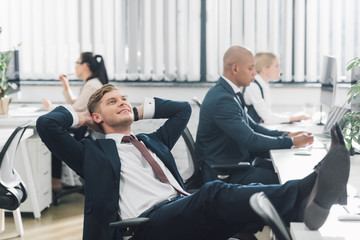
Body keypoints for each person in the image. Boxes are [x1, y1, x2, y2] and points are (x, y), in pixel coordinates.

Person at [36, 84, 349, 240]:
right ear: (96, 117)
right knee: (214, 193)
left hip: (180, 208)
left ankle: (309, 200)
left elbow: (182, 109)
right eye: (112, 102)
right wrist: (81, 114)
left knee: (251, 205)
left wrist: (134, 110)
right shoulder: (91, 155)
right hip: (147, 225)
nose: (122, 103)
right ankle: (310, 189)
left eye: (124, 99)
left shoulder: (152, 141)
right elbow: (46, 126)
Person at [196, 46, 314, 185]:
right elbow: (251, 140)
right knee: (290, 180)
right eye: (251, 68)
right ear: (235, 69)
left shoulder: (230, 93)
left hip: (236, 163)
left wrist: (286, 135)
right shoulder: (223, 99)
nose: (254, 73)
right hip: (224, 174)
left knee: (295, 171)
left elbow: (254, 127)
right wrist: (292, 142)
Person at [43, 52, 109, 192]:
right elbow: (77, 104)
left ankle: (56, 182)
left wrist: (50, 107)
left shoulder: (92, 85)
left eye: (76, 63)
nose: (75, 67)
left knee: (53, 134)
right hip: (86, 129)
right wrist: (66, 86)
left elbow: (75, 109)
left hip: (84, 129)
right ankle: (56, 181)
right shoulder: (92, 83)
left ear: (84, 65)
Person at [243, 52, 310, 124]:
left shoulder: (264, 85)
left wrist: (292, 117)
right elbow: (268, 118)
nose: (280, 70)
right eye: (276, 66)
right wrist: (294, 118)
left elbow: (268, 114)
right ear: (265, 69)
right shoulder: (253, 86)